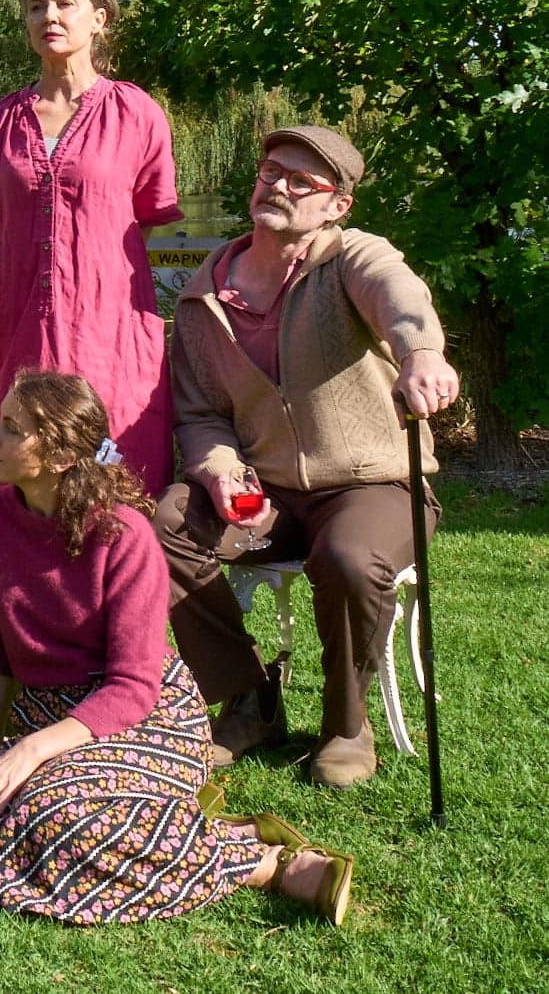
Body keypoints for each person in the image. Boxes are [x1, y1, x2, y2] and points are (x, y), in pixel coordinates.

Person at [0, 370, 355, 926]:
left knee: (51, 820)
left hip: (144, 713)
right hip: (49, 708)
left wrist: (31, 750)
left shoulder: (123, 534)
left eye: (12, 428)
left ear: (62, 454)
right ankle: (205, 827)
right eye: (0, 420)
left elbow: (133, 685)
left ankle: (265, 864)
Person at [156, 126, 458, 788]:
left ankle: (345, 724)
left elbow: (399, 296)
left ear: (336, 205)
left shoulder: (351, 260)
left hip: (374, 486)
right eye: (270, 173)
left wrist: (421, 354)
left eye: (301, 181)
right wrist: (220, 470)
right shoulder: (203, 297)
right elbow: (200, 413)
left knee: (347, 557)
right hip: (267, 493)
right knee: (163, 526)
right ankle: (247, 698)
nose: (278, 187)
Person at [0, 0, 181, 494]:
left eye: (66, 3)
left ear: (99, 18)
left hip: (108, 324)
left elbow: (145, 220)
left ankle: (122, 571)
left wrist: (92, 271)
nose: (50, 16)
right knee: (19, 462)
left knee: (112, 465)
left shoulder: (137, 114)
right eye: (36, 6)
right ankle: (18, 573)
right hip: (20, 322)